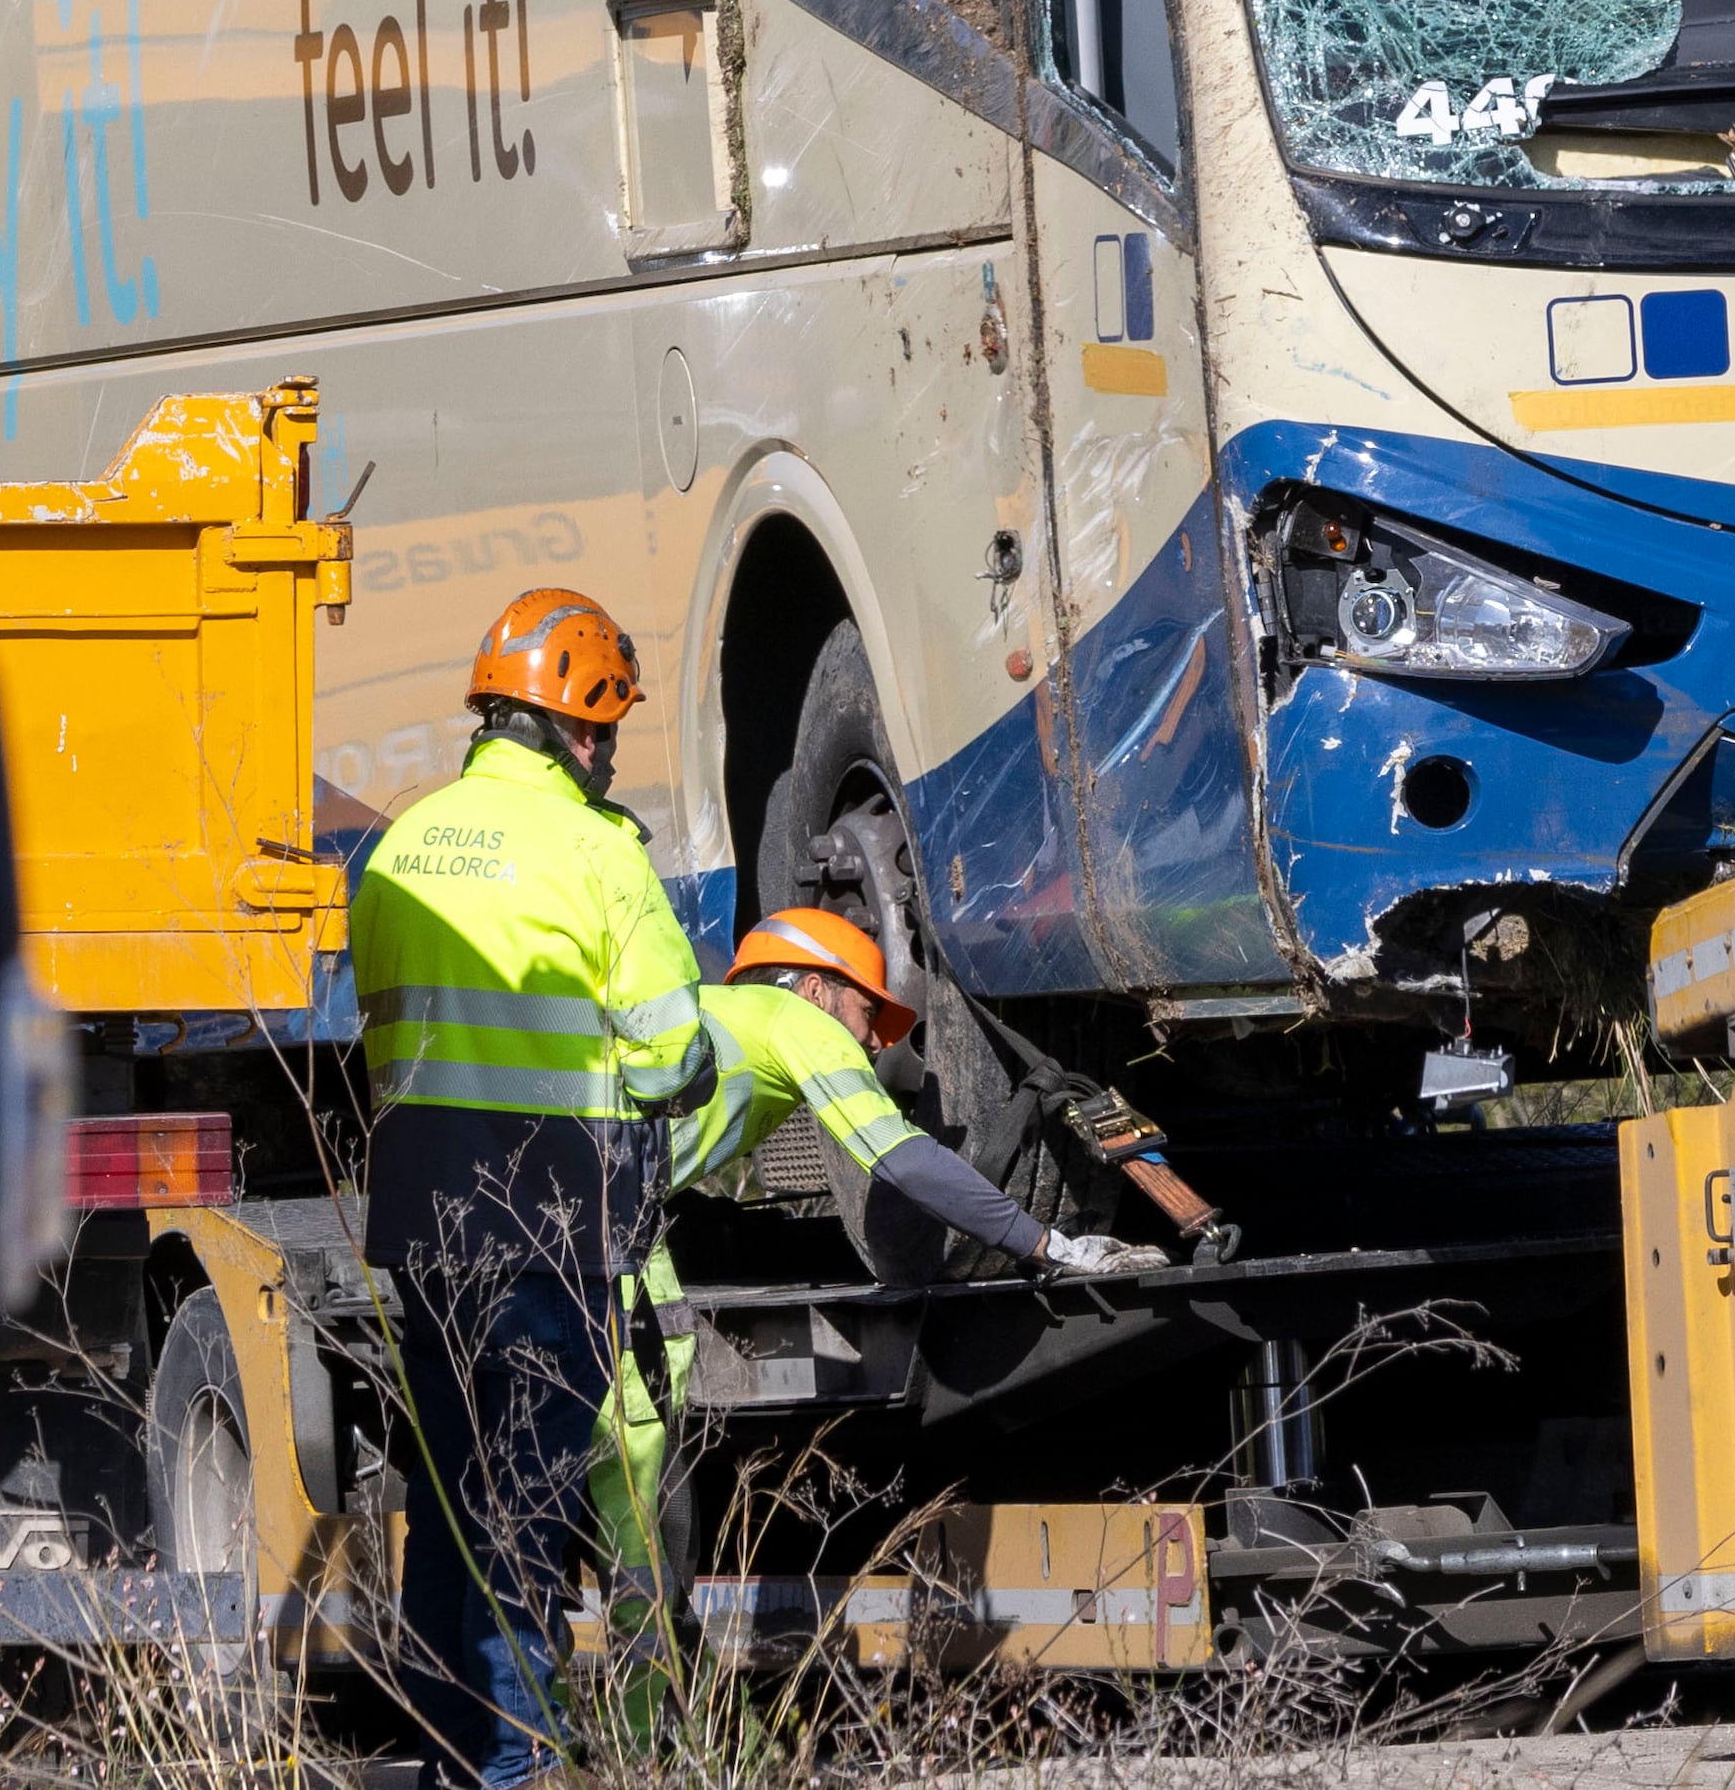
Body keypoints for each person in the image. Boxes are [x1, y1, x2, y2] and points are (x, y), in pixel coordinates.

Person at [349, 589, 718, 1790]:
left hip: (421, 1228)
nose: (608, 757)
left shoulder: (399, 845)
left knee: (449, 1510)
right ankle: (513, 1769)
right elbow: (672, 1056)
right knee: (526, 1512)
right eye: (606, 732)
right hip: (548, 1226)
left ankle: (454, 1758)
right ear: (577, 729)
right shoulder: (595, 855)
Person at [588, 905, 1164, 1598]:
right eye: (864, 1011)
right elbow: (906, 1163)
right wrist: (1049, 1245)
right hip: (591, 1229)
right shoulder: (791, 1020)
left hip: (547, 1207)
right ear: (814, 988)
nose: (867, 1044)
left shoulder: (711, 1012)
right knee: (644, 1461)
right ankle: (651, 1674)